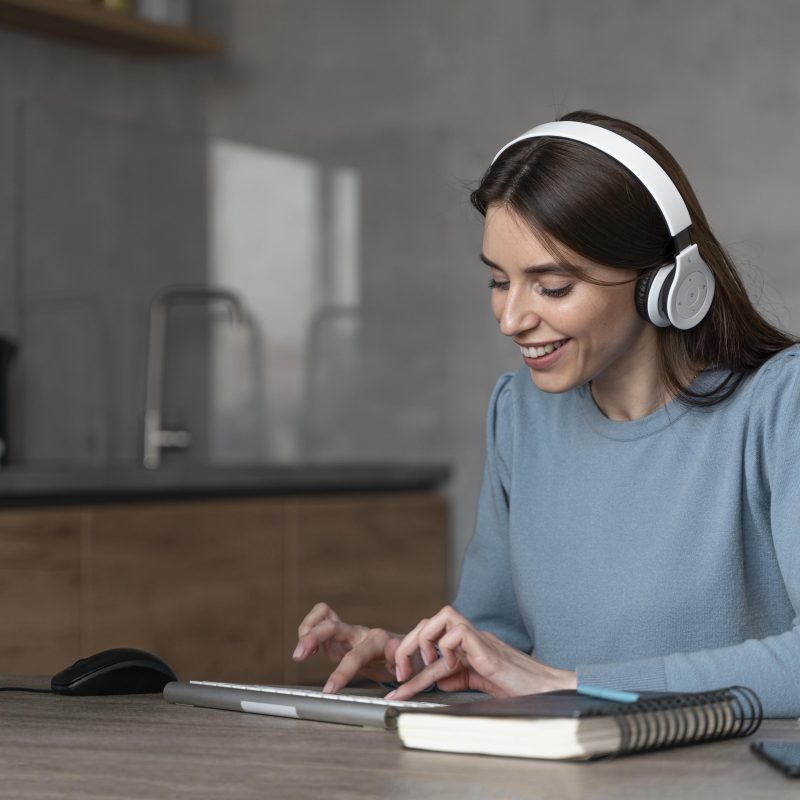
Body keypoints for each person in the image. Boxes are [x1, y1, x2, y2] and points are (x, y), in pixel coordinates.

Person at [292, 110, 800, 717]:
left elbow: (542, 679)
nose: (511, 320)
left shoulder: (778, 406)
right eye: (498, 282)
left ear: (666, 282)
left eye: (552, 287)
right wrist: (417, 662)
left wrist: (569, 682)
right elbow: (501, 654)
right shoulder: (520, 414)